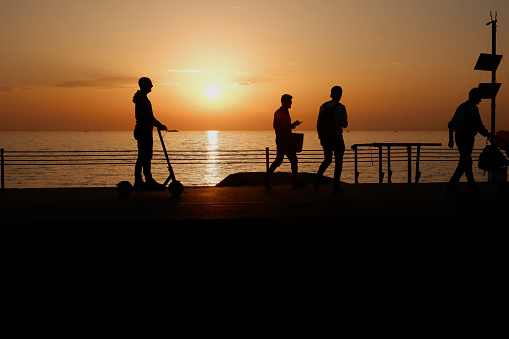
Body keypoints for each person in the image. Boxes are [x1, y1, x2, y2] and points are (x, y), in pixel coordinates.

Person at [446, 87, 490, 195]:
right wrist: (487, 134)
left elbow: (451, 124)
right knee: (465, 162)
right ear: (474, 97)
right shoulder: (473, 108)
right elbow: (478, 125)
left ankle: (471, 186)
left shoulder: (461, 106)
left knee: (466, 162)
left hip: (459, 137)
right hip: (467, 137)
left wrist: (451, 139)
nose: (480, 100)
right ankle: (452, 186)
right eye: (479, 98)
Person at [261, 94, 304, 189]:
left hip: (282, 140)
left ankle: (266, 178)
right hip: (285, 140)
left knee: (279, 160)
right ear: (285, 102)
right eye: (290, 101)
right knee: (292, 160)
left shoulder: (281, 112)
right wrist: (291, 125)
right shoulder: (282, 113)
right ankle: (295, 182)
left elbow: (279, 126)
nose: (291, 103)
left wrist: (292, 125)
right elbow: (281, 127)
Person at [133, 77, 167, 190]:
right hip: (143, 131)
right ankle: (143, 180)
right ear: (144, 85)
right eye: (150, 84)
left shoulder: (142, 98)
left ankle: (145, 179)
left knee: (145, 156)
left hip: (144, 130)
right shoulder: (142, 99)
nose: (152, 86)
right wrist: (160, 125)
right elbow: (149, 117)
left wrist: (157, 125)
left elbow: (149, 118)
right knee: (144, 156)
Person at [313, 86, 348, 194]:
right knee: (338, 162)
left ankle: (317, 179)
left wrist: (321, 137)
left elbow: (318, 124)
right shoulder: (341, 107)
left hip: (326, 138)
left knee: (327, 160)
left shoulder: (323, 106)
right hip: (337, 138)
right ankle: (335, 186)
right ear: (340, 94)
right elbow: (344, 125)